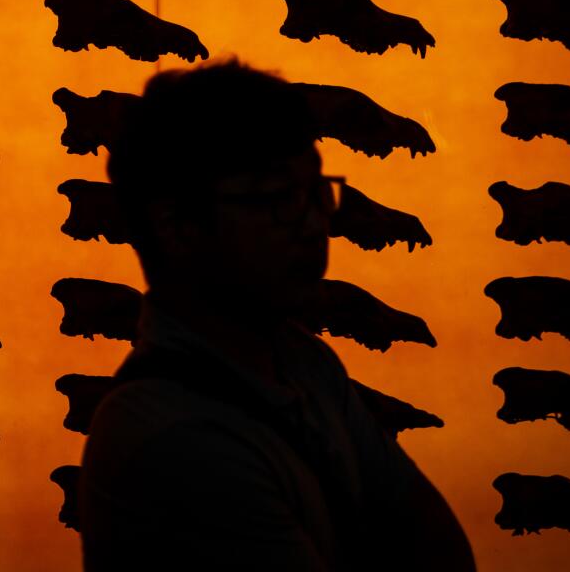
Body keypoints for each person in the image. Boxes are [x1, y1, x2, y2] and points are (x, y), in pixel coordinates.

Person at [78, 60, 475, 571]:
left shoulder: (306, 363)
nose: (315, 225)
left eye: (316, 193)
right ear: (176, 225)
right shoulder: (173, 438)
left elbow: (437, 544)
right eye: (276, 199)